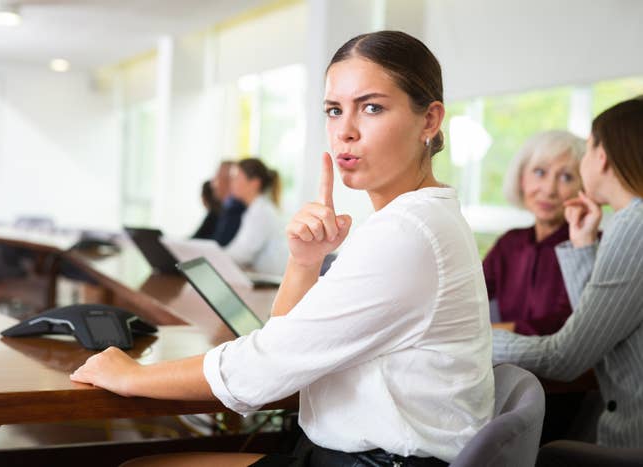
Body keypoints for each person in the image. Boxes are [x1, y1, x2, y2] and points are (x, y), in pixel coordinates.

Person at [70, 30, 494, 466]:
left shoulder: (408, 232)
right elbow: (284, 344)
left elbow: (264, 370)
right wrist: (304, 262)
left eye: (371, 107)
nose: (345, 131)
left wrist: (133, 375)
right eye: (334, 110)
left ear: (429, 120)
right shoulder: (418, 219)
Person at [493, 97, 643, 451]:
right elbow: (600, 328)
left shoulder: (633, 227)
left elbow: (567, 357)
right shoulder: (628, 224)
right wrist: (583, 245)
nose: (549, 188)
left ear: (601, 156)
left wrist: (476, 339)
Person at [483, 130, 585, 336]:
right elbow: (468, 298)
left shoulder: (588, 246)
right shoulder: (509, 243)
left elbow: (566, 328)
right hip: (508, 361)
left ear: (584, 188)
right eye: (540, 172)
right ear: (522, 179)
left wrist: (486, 333)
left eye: (566, 177)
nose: (549, 189)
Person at [224, 158, 288, 276]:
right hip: (263, 276)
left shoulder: (261, 212)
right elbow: (239, 248)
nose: (231, 182)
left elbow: (242, 254)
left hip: (271, 283)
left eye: (236, 177)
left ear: (254, 183)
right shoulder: (255, 209)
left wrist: (214, 257)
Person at [211, 160, 247, 246]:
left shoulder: (236, 210)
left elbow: (220, 244)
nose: (212, 184)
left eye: (217, 177)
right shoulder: (225, 208)